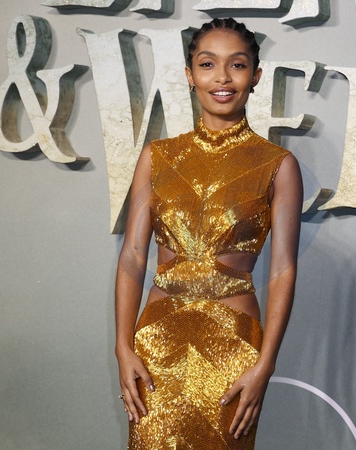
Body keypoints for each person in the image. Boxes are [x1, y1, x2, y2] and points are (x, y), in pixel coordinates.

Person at [115, 17, 303, 449]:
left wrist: (266, 365)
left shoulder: (278, 165)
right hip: (156, 346)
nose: (222, 77)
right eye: (207, 64)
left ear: (255, 76)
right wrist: (123, 347)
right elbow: (132, 257)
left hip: (233, 348)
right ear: (189, 75)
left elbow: (283, 271)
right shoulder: (158, 156)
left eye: (237, 65)